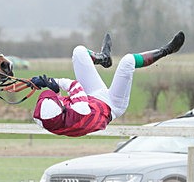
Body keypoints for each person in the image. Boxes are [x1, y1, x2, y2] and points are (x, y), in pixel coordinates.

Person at [30, 31, 185, 137]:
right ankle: (166, 50)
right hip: (112, 104)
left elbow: (60, 102)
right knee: (127, 61)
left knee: (79, 52)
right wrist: (54, 81)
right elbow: (74, 86)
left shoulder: (46, 119)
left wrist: (52, 89)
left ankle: (103, 58)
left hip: (92, 98)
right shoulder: (79, 111)